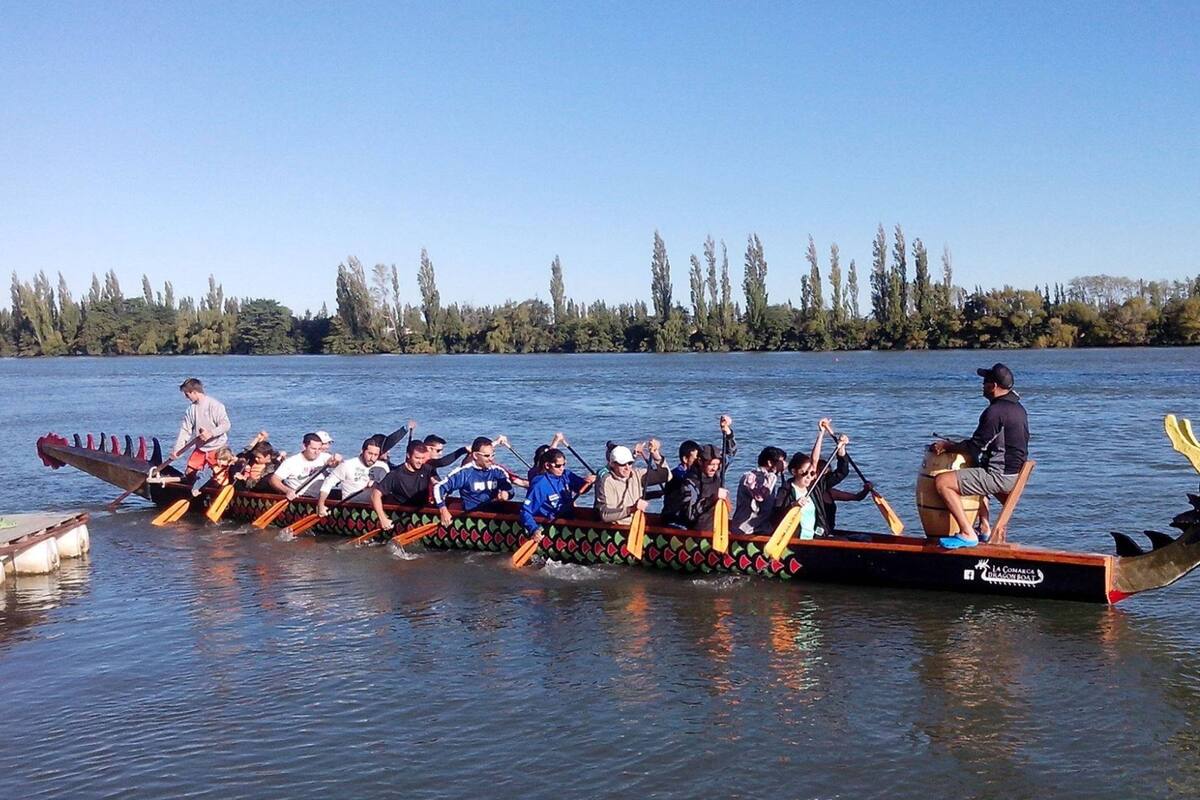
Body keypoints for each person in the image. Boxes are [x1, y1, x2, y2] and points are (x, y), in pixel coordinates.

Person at [931, 362, 1030, 546]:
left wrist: (947, 446)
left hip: (1000, 477)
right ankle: (984, 528)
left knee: (942, 482)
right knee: (976, 467)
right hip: (1014, 474)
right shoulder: (1019, 409)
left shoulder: (994, 412)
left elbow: (974, 446)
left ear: (993, 386)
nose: (982, 385)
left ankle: (968, 533)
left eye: (985, 382)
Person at [433, 436, 529, 527]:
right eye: (487, 456)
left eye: (493, 455)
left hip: (495, 511)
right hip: (472, 516)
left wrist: (507, 494)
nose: (491, 459)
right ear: (475, 455)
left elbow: (510, 490)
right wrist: (443, 509)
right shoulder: (464, 473)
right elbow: (438, 488)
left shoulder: (498, 471)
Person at [774, 419, 833, 538]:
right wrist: (793, 505)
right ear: (794, 472)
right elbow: (776, 515)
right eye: (804, 473)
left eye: (811, 474)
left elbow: (814, 461)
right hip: (795, 538)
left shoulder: (813, 488)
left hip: (813, 538)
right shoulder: (786, 490)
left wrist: (821, 433)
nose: (808, 477)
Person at [519, 448, 596, 540]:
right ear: (547, 465)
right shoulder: (540, 484)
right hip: (549, 523)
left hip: (569, 518)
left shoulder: (566, 475)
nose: (562, 469)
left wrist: (589, 482)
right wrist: (534, 530)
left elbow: (581, 488)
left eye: (564, 465)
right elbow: (525, 511)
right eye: (558, 466)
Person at [812, 427, 872, 535]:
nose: (829, 475)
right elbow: (814, 461)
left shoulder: (830, 492)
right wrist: (821, 434)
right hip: (815, 533)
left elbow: (857, 497)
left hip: (828, 532)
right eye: (824, 472)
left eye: (828, 472)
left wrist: (866, 490)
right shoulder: (811, 489)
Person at [595, 440, 670, 525]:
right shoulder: (606, 480)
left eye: (630, 463)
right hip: (615, 528)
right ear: (612, 464)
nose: (627, 468)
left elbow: (666, 476)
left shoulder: (637, 475)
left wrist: (656, 455)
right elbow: (605, 515)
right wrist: (631, 509)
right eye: (623, 464)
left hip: (636, 525)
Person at [370, 440, 438, 532]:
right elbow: (375, 494)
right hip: (401, 514)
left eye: (422, 458)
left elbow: (437, 483)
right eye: (417, 458)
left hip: (422, 509)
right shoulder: (395, 474)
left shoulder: (428, 470)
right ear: (408, 456)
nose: (420, 462)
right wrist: (383, 518)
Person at [171, 378, 231, 477]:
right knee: (189, 473)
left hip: (217, 448)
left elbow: (226, 425)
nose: (186, 397)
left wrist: (211, 433)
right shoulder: (191, 409)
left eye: (187, 394)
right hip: (201, 448)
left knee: (219, 476)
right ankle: (193, 489)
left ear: (194, 392)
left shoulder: (215, 405)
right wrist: (177, 450)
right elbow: (185, 431)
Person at [317, 436, 383, 517]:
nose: (372, 458)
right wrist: (321, 505)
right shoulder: (348, 465)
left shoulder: (383, 467)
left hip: (374, 508)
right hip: (349, 509)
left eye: (376, 455)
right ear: (362, 451)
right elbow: (328, 483)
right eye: (370, 454)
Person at [730, 446, 788, 534]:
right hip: (745, 529)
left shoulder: (769, 477)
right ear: (769, 462)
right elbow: (760, 496)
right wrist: (773, 474)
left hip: (763, 527)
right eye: (780, 462)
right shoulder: (750, 477)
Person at [268, 433, 342, 500]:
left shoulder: (324, 457)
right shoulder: (291, 462)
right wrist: (288, 491)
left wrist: (337, 460)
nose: (317, 452)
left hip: (319, 497)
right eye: (313, 449)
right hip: (300, 497)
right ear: (304, 446)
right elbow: (274, 480)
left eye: (319, 449)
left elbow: (335, 463)